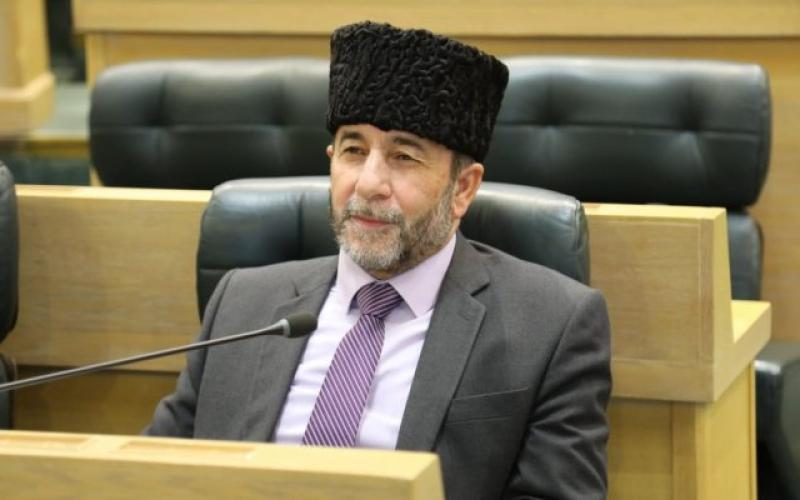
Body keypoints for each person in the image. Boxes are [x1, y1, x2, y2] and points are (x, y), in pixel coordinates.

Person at [145, 21, 611, 500]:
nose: (368, 184)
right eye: (353, 150)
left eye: (403, 157)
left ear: (463, 188)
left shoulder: (551, 326)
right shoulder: (242, 304)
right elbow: (153, 476)